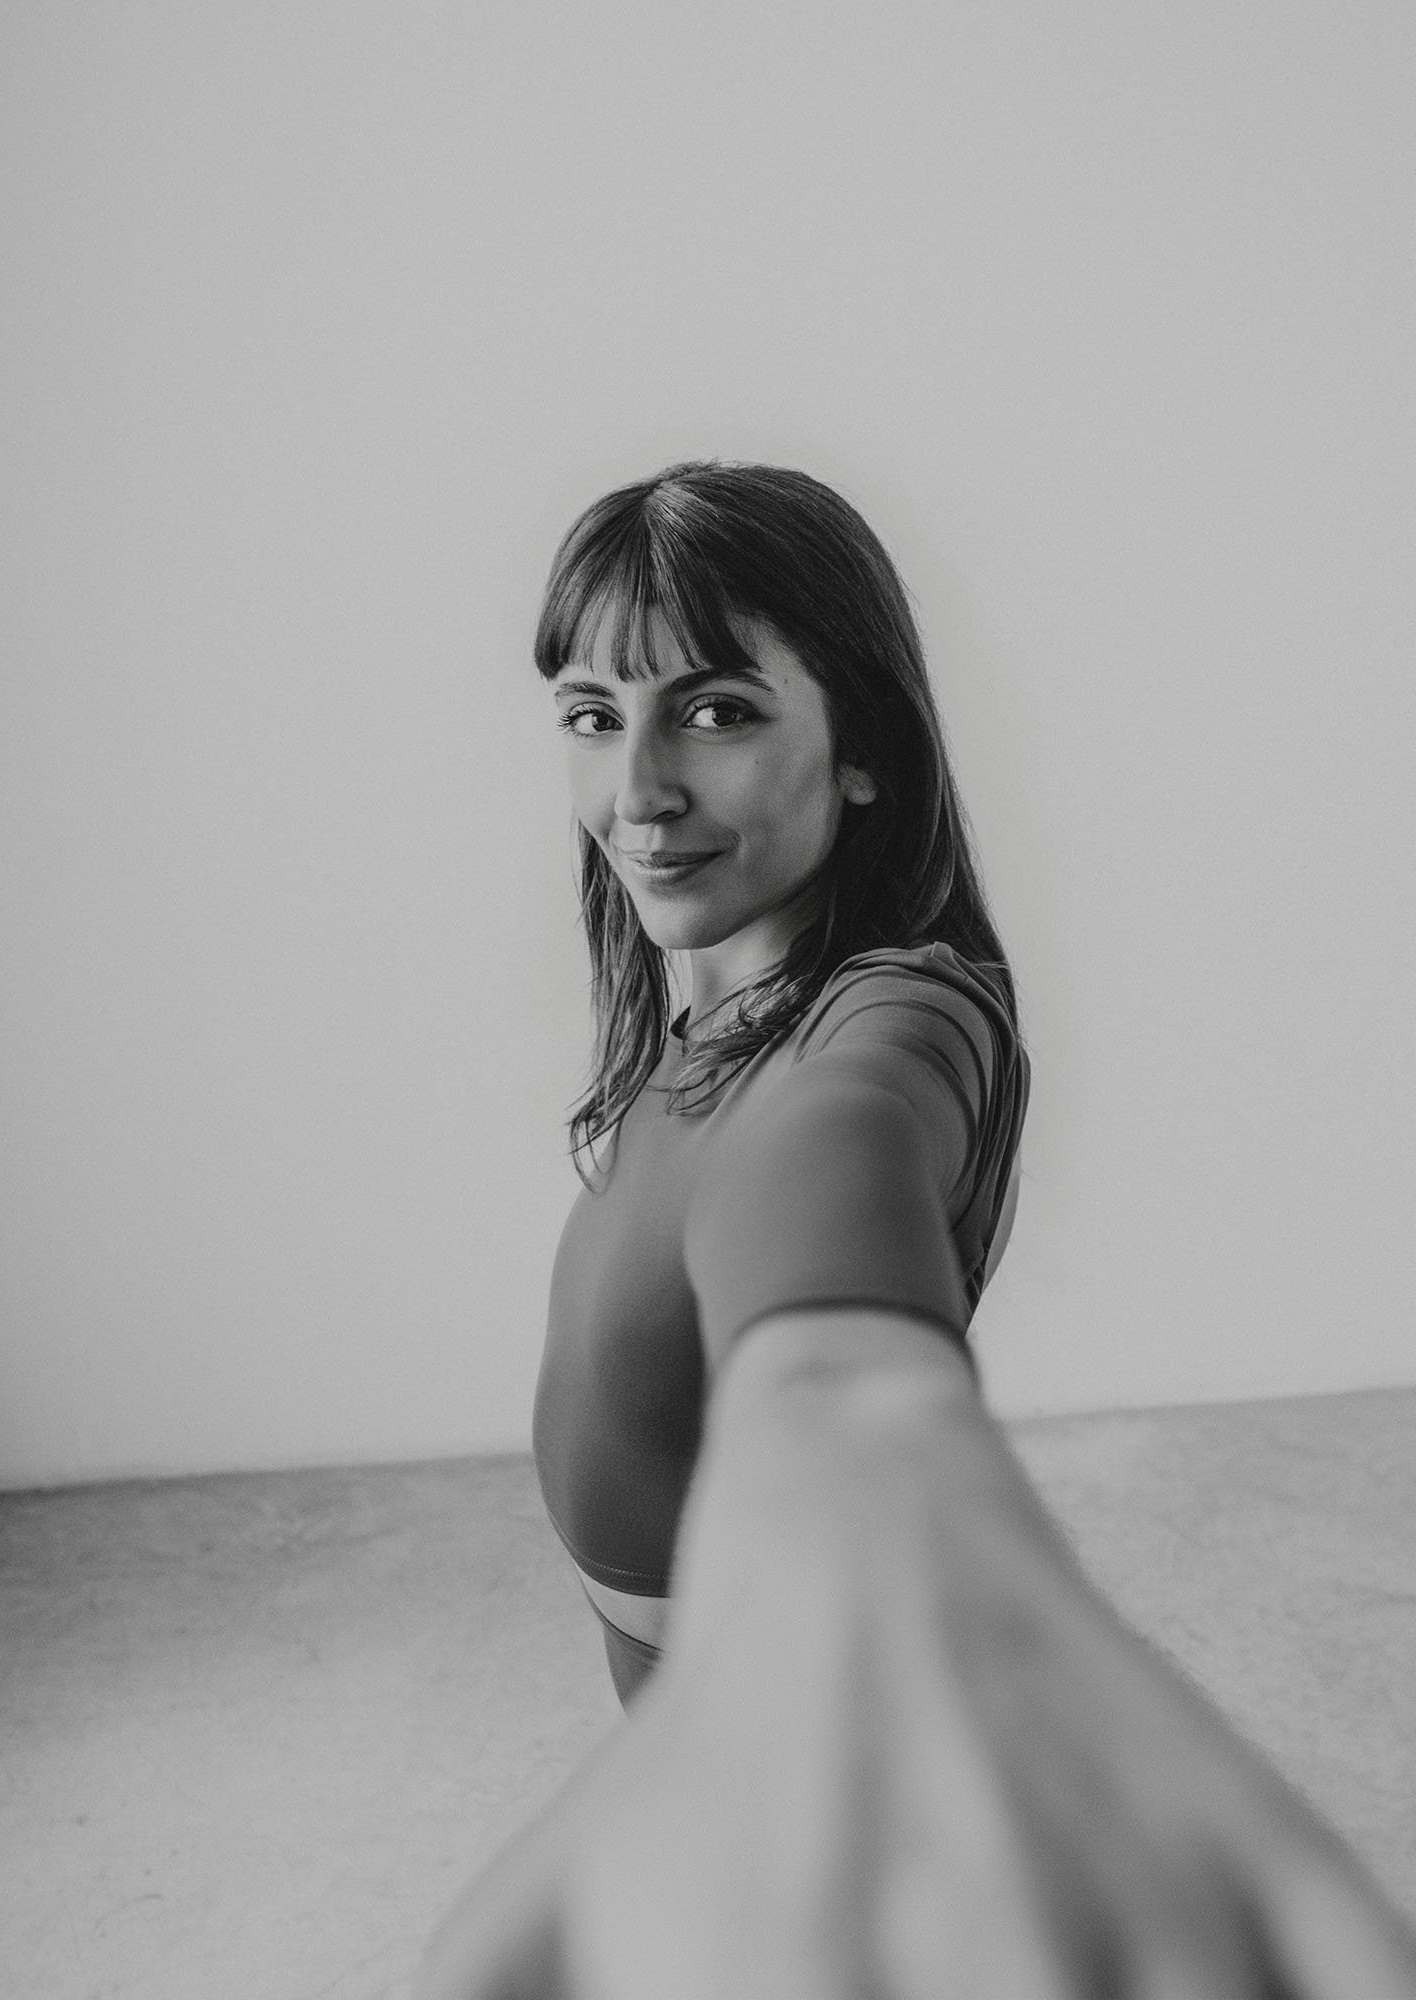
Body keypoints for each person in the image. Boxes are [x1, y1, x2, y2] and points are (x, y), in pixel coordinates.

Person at [416, 463, 1416, 1999]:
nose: (638, 793)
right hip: (696, 1701)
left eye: (719, 710)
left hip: (772, 1694)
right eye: (591, 714)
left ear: (864, 748)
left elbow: (836, 1150)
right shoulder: (711, 1009)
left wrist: (863, 1440)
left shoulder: (897, 1008)